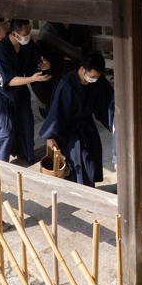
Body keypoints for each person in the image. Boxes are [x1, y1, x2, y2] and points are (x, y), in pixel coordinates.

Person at [39, 52, 114, 187]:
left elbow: (107, 103)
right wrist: (51, 136)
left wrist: (115, 123)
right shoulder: (66, 85)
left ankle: (82, 189)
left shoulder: (98, 80)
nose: (95, 79)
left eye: (98, 76)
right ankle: (83, 192)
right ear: (82, 69)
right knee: (82, 161)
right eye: (92, 76)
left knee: (94, 156)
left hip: (87, 126)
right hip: (71, 130)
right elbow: (57, 111)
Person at [0, 19, 50, 163]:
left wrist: (45, 65)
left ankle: (25, 156)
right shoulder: (0, 51)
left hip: (21, 91)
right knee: (6, 131)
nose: (27, 36)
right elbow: (8, 80)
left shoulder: (27, 45)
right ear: (14, 34)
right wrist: (32, 79)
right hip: (3, 95)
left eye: (29, 33)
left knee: (26, 126)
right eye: (25, 34)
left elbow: (37, 60)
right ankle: (1, 164)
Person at [34, 21, 93, 117]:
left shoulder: (81, 25)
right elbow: (43, 55)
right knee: (54, 114)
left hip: (73, 74)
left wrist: (71, 54)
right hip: (53, 77)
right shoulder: (49, 30)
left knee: (75, 111)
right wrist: (64, 57)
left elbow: (86, 46)